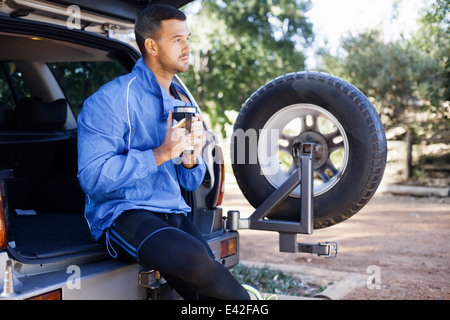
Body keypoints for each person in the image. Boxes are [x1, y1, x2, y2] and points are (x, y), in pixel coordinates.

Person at [77, 4, 250, 300]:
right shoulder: (109, 100)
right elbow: (92, 179)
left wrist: (190, 157)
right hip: (121, 215)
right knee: (198, 263)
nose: (187, 48)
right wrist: (160, 153)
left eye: (188, 38)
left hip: (172, 210)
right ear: (151, 46)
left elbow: (190, 183)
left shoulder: (183, 101)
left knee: (204, 275)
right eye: (177, 40)